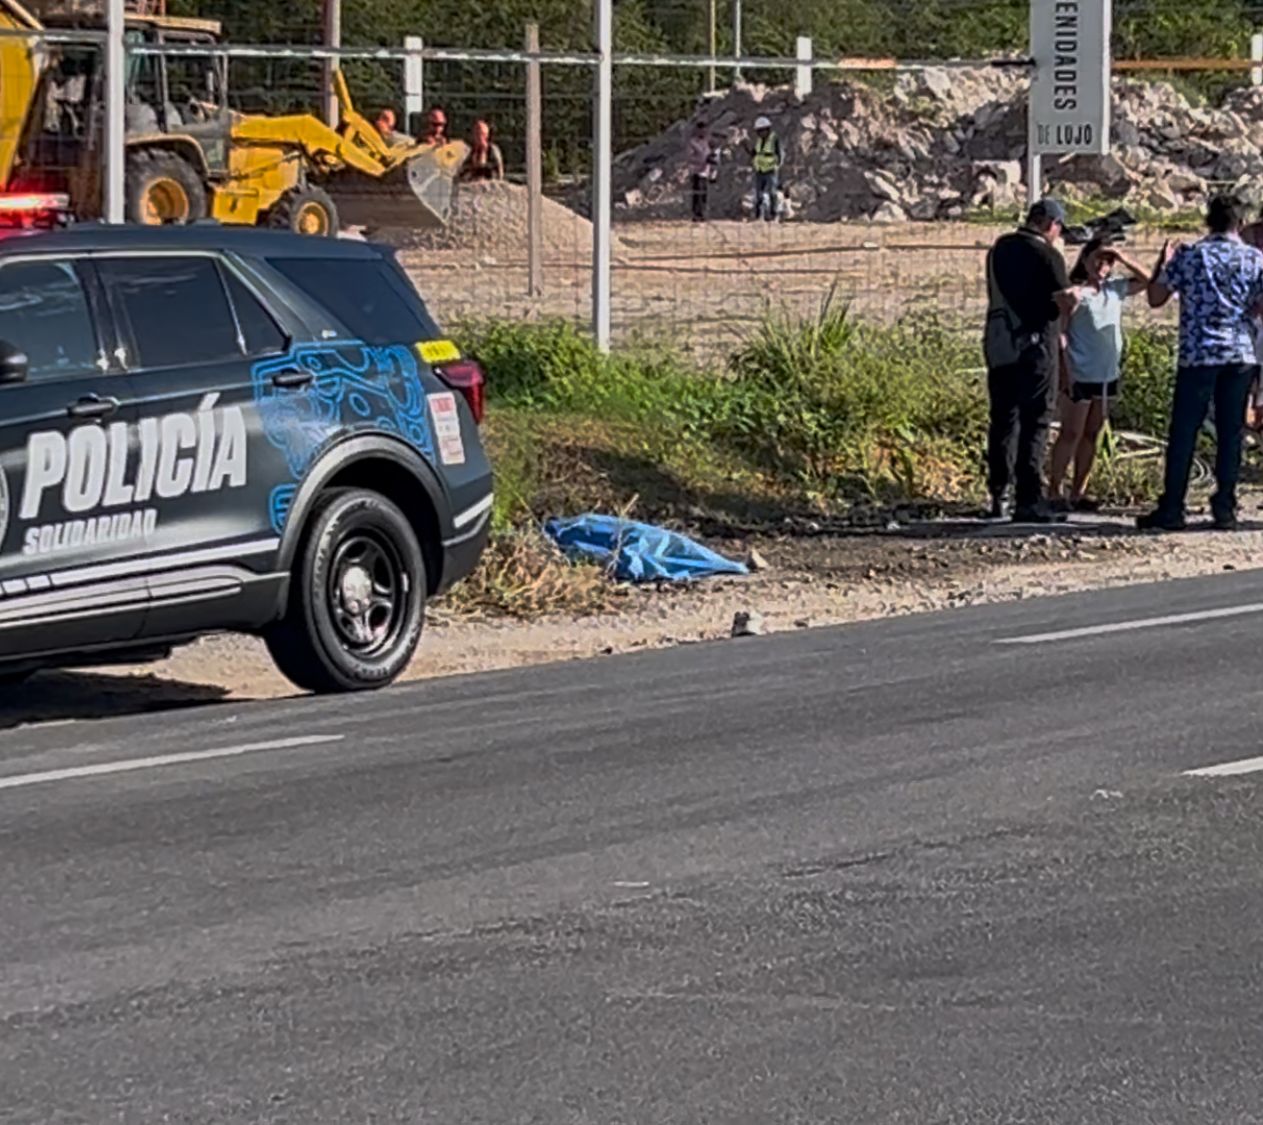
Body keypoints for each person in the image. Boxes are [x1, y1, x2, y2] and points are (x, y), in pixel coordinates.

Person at [1139, 194, 1263, 531]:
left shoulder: (1191, 256)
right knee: (1231, 430)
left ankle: (1173, 507)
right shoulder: (1253, 259)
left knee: (1185, 430)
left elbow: (1155, 298)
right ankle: (1225, 505)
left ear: (1208, 221)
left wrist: (1162, 263)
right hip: (1239, 352)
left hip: (1198, 353)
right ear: (1239, 222)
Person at [982, 198, 1078, 522]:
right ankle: (1029, 498)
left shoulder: (1000, 248)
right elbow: (1065, 300)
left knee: (1003, 419)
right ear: (1051, 224)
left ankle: (999, 493)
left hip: (1000, 344)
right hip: (1037, 347)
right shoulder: (1047, 254)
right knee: (1036, 420)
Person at [1048, 239, 1150, 512]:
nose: (1101, 266)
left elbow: (1149, 281)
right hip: (1080, 373)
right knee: (1071, 431)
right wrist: (1065, 372)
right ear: (1084, 259)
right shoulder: (1077, 294)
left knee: (1092, 433)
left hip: (1106, 373)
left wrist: (1122, 256)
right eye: (1096, 259)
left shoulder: (1115, 289)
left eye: (1107, 261)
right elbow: (1061, 333)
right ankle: (1054, 490)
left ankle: (1078, 491)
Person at [750, 115, 781, 222]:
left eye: (761, 131)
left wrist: (777, 165)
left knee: (772, 193)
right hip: (760, 170)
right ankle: (758, 216)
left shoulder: (774, 139)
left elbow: (779, 154)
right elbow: (755, 153)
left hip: (771, 170)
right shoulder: (759, 140)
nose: (759, 134)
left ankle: (774, 214)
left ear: (767, 130)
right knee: (759, 194)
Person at [685, 120, 713, 222]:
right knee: (697, 194)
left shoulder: (706, 142)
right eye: (702, 130)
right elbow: (690, 158)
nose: (704, 132)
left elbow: (709, 154)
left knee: (704, 194)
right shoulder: (692, 143)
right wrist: (703, 160)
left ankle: (703, 214)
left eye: (705, 130)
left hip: (705, 172)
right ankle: (696, 215)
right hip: (696, 172)